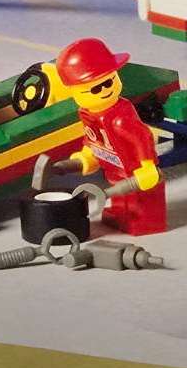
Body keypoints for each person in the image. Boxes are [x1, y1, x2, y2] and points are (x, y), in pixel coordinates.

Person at [57, 37, 165, 235]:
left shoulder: (120, 117)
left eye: (110, 81)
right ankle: (121, 213)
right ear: (73, 91)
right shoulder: (88, 114)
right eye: (96, 88)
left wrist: (148, 165)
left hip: (136, 171)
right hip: (114, 167)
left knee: (141, 197)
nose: (105, 89)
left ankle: (143, 220)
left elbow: (143, 137)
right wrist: (87, 155)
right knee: (119, 193)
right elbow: (92, 137)